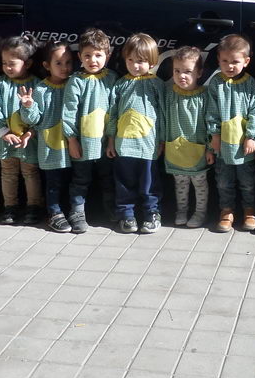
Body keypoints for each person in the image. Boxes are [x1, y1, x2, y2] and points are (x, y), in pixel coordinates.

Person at [106, 33, 166, 234]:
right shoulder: (121, 83)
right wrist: (111, 140)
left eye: (140, 61)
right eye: (130, 60)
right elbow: (113, 114)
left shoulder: (156, 84)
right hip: (124, 145)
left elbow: (164, 115)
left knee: (150, 183)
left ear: (152, 61)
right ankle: (126, 214)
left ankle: (152, 213)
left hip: (148, 146)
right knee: (124, 182)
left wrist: (162, 141)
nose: (134, 65)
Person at [62, 27, 117, 233]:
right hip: (82, 143)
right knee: (80, 179)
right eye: (87, 55)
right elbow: (68, 113)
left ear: (107, 56)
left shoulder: (111, 78)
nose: (93, 60)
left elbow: (113, 111)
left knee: (107, 177)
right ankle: (77, 213)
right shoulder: (76, 81)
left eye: (98, 55)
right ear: (80, 57)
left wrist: (111, 140)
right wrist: (72, 139)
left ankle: (111, 208)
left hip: (104, 143)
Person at [206, 33, 255, 233]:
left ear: (246, 62)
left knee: (247, 182)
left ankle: (249, 211)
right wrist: (215, 135)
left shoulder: (250, 83)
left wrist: (251, 136)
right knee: (223, 181)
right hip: (223, 146)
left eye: (235, 62)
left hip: (244, 146)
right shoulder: (215, 84)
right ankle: (226, 211)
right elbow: (211, 112)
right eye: (225, 61)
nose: (229, 66)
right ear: (219, 60)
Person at [19, 40, 74, 232]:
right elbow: (35, 119)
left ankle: (70, 212)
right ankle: (54, 213)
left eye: (68, 62)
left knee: (70, 181)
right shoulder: (41, 89)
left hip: (72, 146)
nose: (64, 67)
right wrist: (28, 106)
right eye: (58, 63)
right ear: (46, 65)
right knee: (53, 183)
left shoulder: (74, 84)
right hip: (51, 147)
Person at [0, 34, 43, 226]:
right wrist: (4, 131)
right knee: (8, 173)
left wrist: (29, 109)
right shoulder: (1, 83)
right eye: (4, 63)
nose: (7, 68)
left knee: (30, 172)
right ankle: (10, 207)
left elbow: (38, 117)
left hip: (28, 141)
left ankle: (34, 206)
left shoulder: (36, 85)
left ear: (27, 63)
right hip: (5, 141)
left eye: (12, 63)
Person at [163, 45, 212, 229]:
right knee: (180, 184)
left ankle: (200, 213)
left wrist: (210, 148)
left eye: (188, 72)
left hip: (197, 149)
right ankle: (181, 210)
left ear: (199, 73)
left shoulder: (204, 96)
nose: (181, 76)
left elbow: (210, 123)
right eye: (177, 71)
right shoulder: (169, 94)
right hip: (176, 149)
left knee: (200, 184)